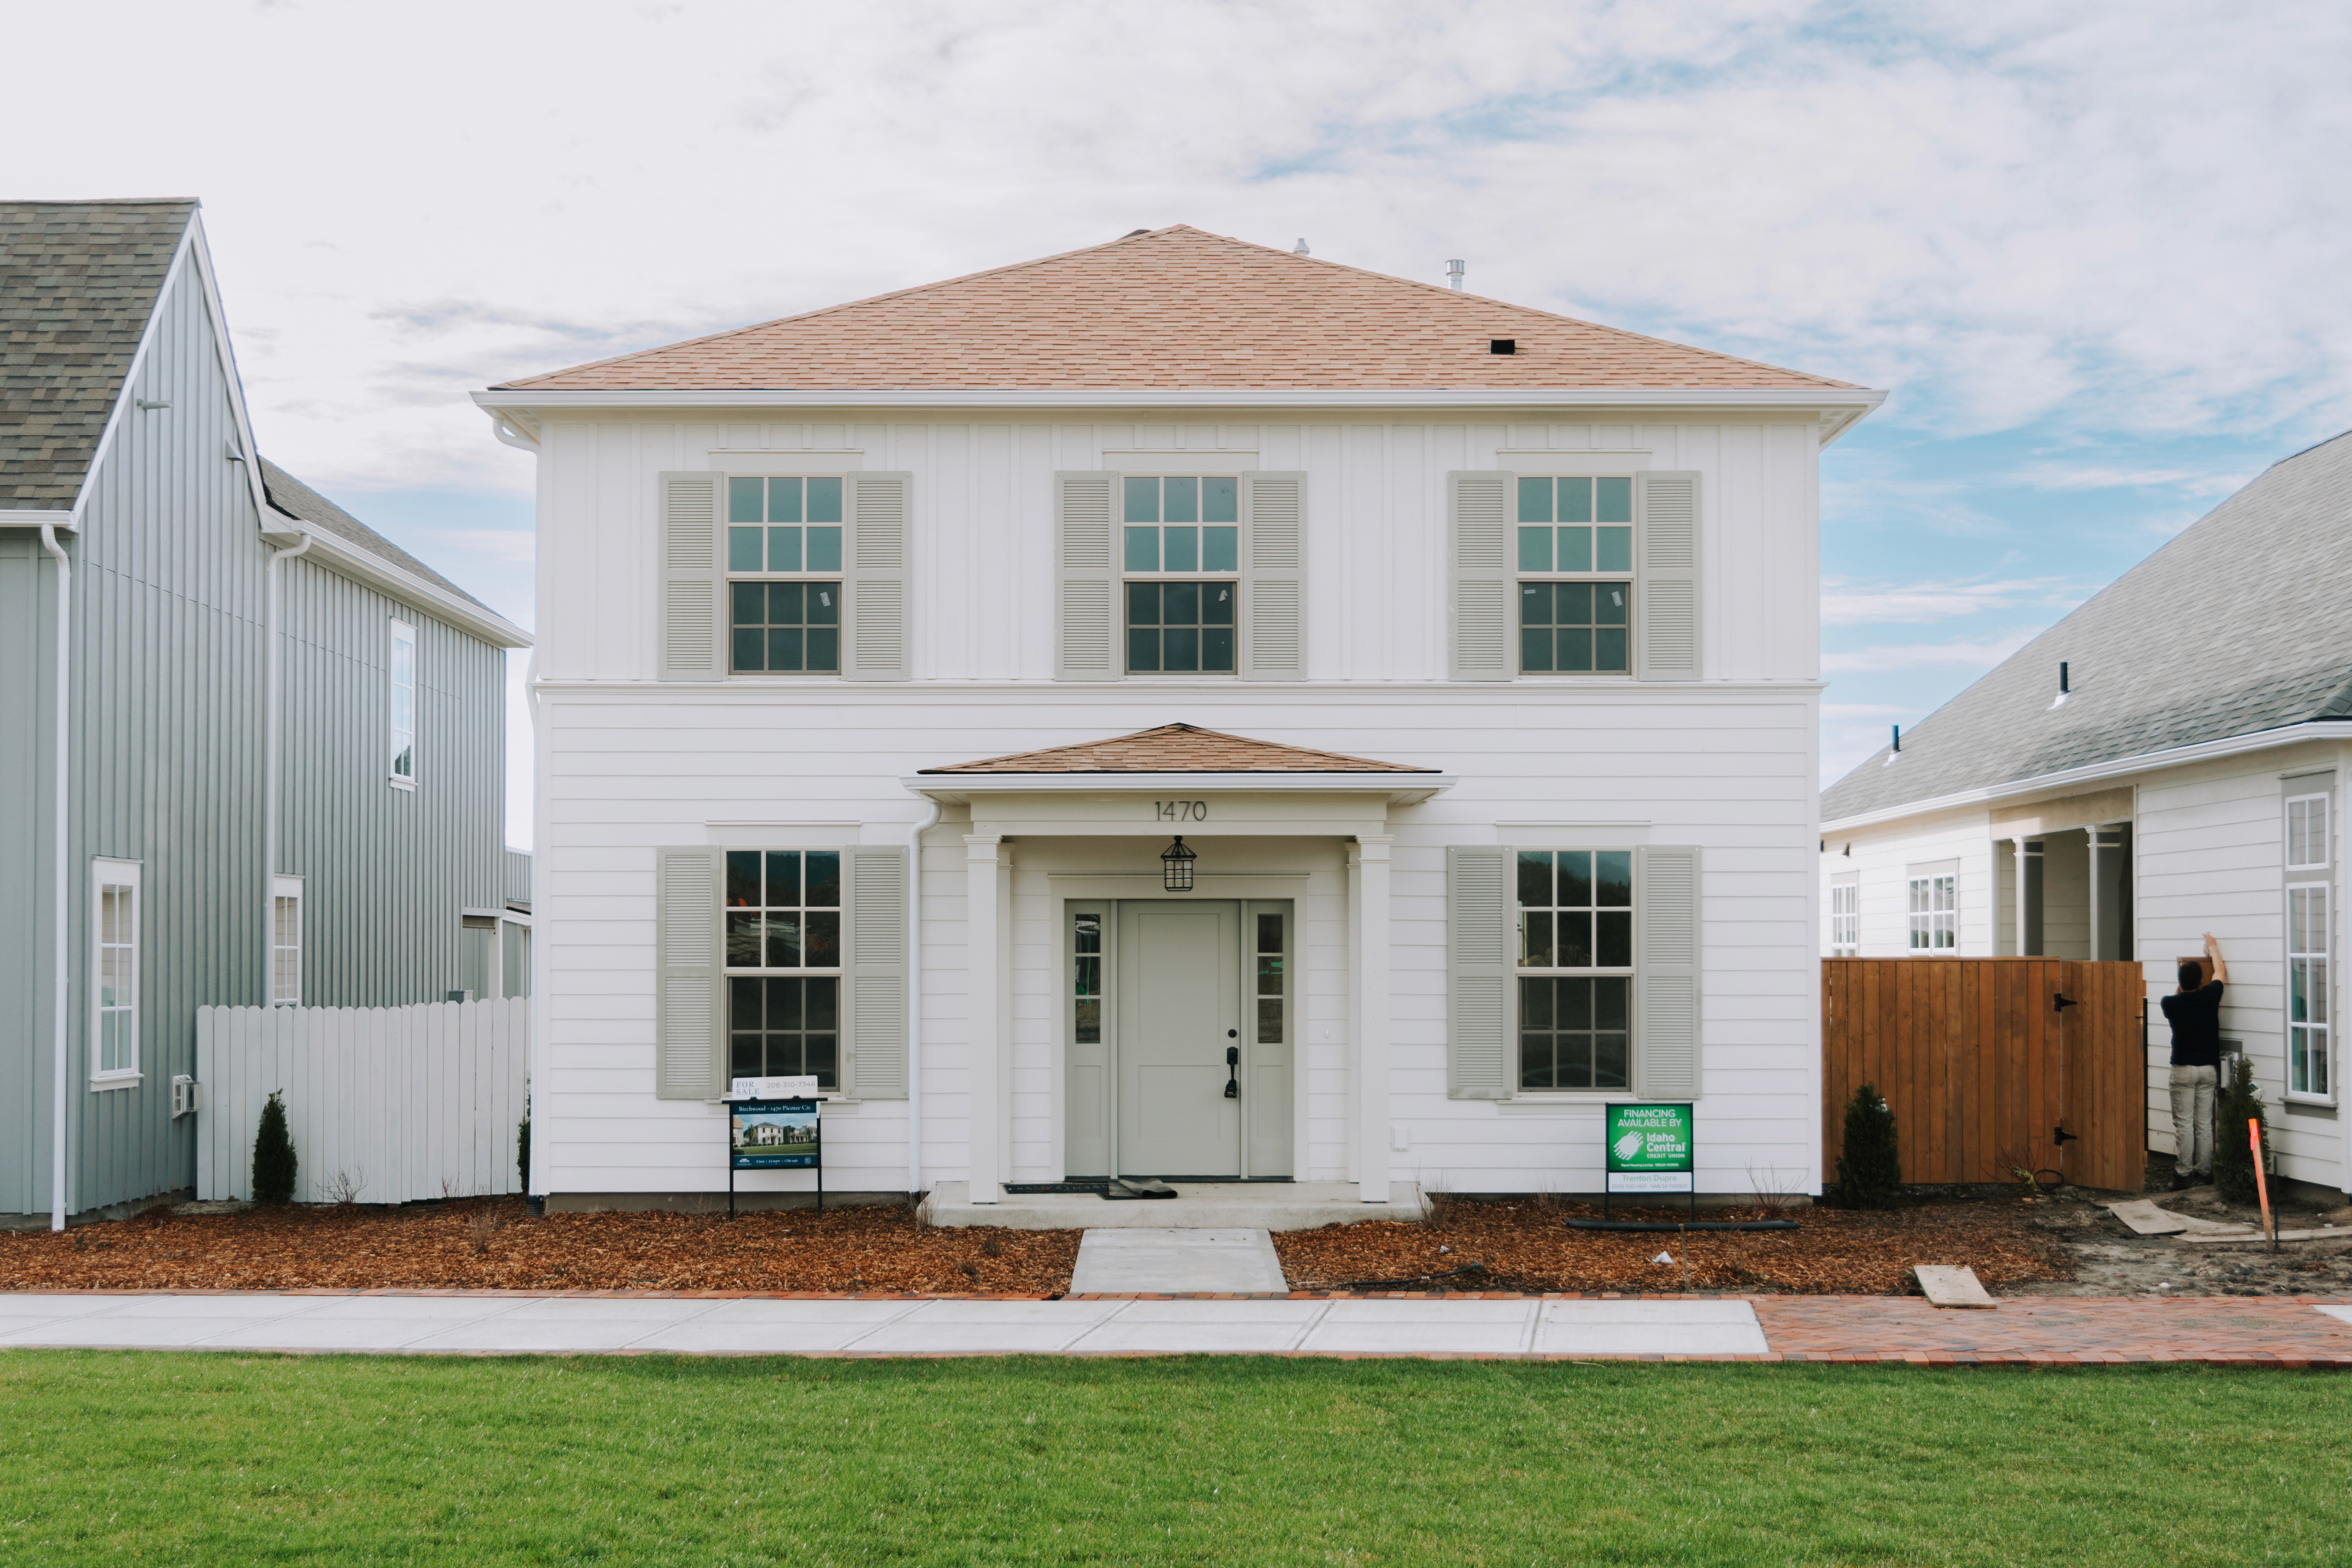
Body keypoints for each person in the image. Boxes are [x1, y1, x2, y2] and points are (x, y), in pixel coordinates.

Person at [2159, 933, 2227, 1190]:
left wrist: (2182, 989)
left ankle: (2183, 1175)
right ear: (2201, 980)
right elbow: (2220, 971)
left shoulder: (2170, 1004)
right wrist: (2213, 947)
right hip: (2208, 1070)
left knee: (2185, 1124)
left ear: (2180, 983)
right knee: (2204, 1124)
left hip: (2183, 1070)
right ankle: (2205, 1172)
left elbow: (2178, 996)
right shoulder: (2211, 996)